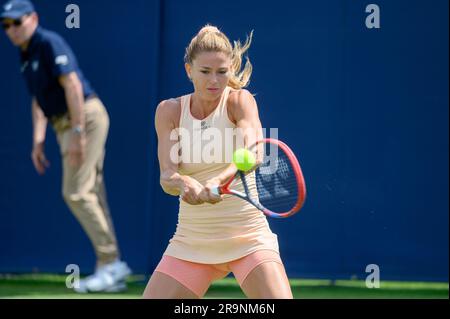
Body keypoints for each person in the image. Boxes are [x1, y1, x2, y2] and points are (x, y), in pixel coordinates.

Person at [143, 25, 293, 299]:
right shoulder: (169, 111)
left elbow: (253, 153)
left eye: (222, 72)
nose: (214, 80)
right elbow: (167, 176)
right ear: (189, 70)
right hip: (191, 241)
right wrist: (184, 183)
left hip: (247, 237)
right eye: (205, 72)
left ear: (232, 69)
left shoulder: (240, 101)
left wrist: (219, 179)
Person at [1, 0, 131, 293]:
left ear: (33, 19)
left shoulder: (48, 41)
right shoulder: (25, 55)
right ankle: (111, 268)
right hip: (66, 124)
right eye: (5, 25)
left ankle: (110, 262)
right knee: (91, 191)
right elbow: (38, 99)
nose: (11, 29)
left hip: (84, 117)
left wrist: (77, 132)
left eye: (16, 22)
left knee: (76, 192)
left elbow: (72, 84)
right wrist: (38, 139)